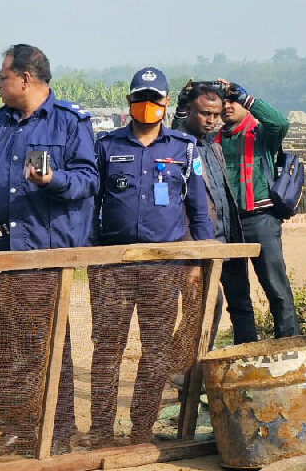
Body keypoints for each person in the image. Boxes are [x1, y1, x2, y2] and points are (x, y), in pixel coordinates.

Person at [0, 44, 98, 456]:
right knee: (3, 344)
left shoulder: (68, 123)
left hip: (42, 254)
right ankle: (15, 428)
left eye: (3, 77)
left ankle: (57, 430)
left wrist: (54, 180)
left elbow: (88, 179)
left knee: (45, 344)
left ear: (25, 78)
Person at [89, 67, 213, 447]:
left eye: (154, 99)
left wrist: (199, 261)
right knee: (107, 349)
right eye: (140, 98)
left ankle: (141, 429)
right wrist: (92, 257)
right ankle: (100, 430)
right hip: (114, 266)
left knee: (156, 350)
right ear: (129, 102)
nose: (147, 105)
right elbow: (91, 204)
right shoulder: (106, 146)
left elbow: (198, 211)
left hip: (164, 267)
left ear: (166, 103)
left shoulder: (183, 149)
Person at [172, 82, 253, 346]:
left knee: (241, 304)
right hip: (201, 241)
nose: (211, 120)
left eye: (216, 115)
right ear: (188, 111)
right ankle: (189, 363)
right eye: (205, 113)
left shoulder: (213, 145)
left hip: (227, 238)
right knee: (206, 306)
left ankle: (244, 358)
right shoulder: (178, 145)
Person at [216, 79, 298, 340]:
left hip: (261, 220)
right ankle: (246, 349)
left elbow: (279, 123)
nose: (228, 106)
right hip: (227, 226)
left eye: (233, 101)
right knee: (237, 297)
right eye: (223, 101)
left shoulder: (260, 134)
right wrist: (185, 104)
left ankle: (288, 347)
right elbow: (181, 137)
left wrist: (247, 97)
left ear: (245, 105)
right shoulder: (213, 140)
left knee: (277, 290)